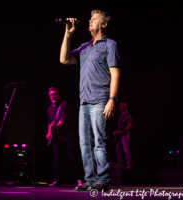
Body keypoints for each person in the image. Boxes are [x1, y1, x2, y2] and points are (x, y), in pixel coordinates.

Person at [59, 10, 122, 191]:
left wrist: (112, 99)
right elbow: (64, 59)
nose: (90, 21)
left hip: (101, 100)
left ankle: (103, 179)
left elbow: (116, 75)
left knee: (99, 142)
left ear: (103, 24)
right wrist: (68, 33)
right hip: (84, 102)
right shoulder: (85, 47)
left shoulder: (110, 45)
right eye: (90, 19)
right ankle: (91, 181)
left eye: (94, 19)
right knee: (84, 143)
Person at [46, 87, 84, 188]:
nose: (53, 96)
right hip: (57, 137)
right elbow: (50, 123)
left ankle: (79, 180)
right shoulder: (49, 108)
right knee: (56, 158)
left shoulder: (64, 105)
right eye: (51, 95)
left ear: (59, 95)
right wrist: (49, 133)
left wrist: (56, 126)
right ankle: (57, 180)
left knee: (72, 158)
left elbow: (63, 120)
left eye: (54, 94)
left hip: (67, 135)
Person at [113, 103, 133, 169]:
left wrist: (122, 131)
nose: (119, 107)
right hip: (119, 135)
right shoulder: (120, 115)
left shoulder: (127, 115)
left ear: (124, 107)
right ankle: (120, 163)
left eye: (121, 105)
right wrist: (116, 131)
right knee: (117, 149)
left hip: (124, 135)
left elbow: (130, 125)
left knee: (125, 149)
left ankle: (129, 164)